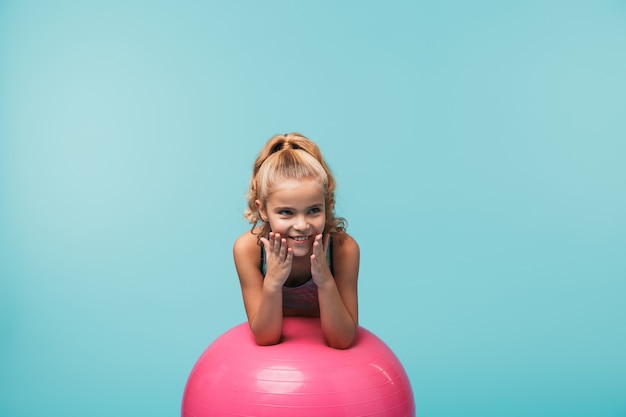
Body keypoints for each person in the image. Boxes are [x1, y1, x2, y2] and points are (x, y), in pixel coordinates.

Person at [233, 133, 360, 349]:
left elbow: (342, 340)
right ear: (262, 209)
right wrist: (272, 281)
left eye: (313, 210)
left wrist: (325, 280)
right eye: (286, 212)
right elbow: (265, 338)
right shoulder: (249, 250)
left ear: (326, 204)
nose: (302, 225)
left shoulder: (343, 250)